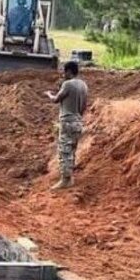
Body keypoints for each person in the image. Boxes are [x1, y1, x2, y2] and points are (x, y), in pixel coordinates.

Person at [45, 60, 89, 189]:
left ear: (69, 71)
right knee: (72, 150)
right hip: (78, 121)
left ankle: (66, 180)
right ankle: (70, 176)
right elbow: (84, 105)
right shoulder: (83, 85)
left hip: (67, 122)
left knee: (64, 151)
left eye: (64, 71)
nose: (63, 74)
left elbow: (56, 100)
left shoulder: (68, 84)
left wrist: (48, 94)